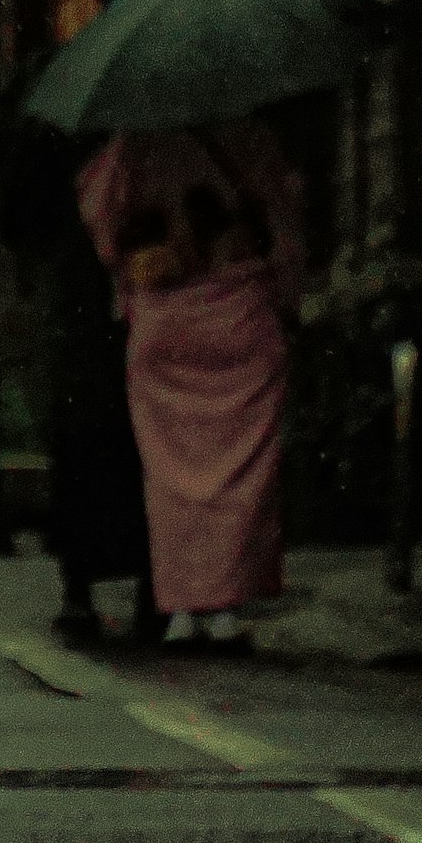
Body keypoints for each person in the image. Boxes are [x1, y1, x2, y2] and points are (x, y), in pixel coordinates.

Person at [79, 110, 305, 653]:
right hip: (238, 312)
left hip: (165, 319)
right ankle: (226, 606)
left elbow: (102, 222)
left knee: (171, 474)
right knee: (242, 469)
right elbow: (285, 218)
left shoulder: (129, 146)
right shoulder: (246, 134)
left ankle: (183, 607)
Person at [8, 0, 166, 647]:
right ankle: (106, 583)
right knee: (104, 435)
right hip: (96, 281)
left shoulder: (80, 76)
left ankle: (129, 584)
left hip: (131, 282)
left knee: (128, 438)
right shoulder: (82, 78)